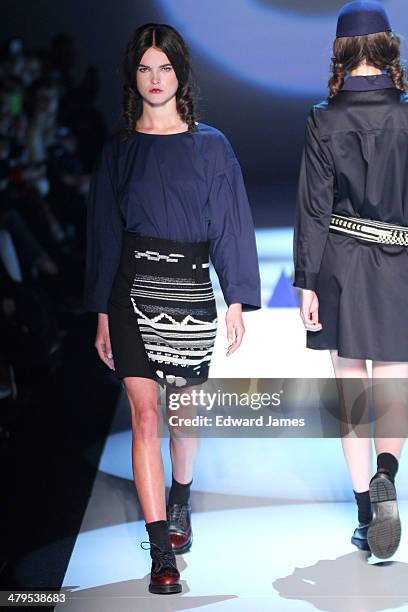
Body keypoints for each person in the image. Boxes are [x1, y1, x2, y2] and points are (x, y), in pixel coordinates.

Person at [83, 23, 261, 594]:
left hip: (187, 293)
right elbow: (105, 234)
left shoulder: (212, 146)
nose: (155, 80)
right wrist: (102, 313)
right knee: (144, 415)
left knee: (183, 415)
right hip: (131, 290)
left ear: (180, 73)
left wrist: (235, 298)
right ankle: (161, 551)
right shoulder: (119, 151)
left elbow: (232, 223)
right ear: (132, 77)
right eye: (144, 69)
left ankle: (181, 497)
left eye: (164, 68)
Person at [293, 1, 408, 560]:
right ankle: (388, 474)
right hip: (399, 264)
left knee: (351, 395)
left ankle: (366, 515)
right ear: (387, 47)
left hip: (340, 261)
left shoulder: (324, 118)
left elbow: (313, 209)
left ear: (342, 50)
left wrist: (306, 282)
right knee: (392, 387)